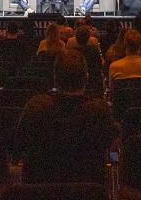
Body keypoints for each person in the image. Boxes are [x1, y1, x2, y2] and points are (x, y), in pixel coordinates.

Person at [17, 50, 118, 183]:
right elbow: (109, 143)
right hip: (88, 192)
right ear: (86, 78)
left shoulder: (36, 107)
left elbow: (19, 143)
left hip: (40, 194)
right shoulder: (99, 110)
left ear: (55, 78)